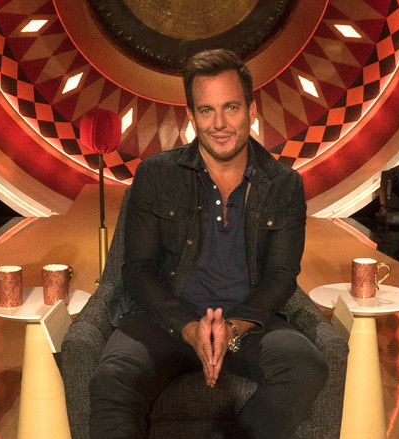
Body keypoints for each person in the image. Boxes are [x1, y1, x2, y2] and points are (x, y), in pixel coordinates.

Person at [88, 49, 327, 438]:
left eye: (231, 107)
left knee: (305, 365)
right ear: (191, 115)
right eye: (206, 110)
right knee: (111, 379)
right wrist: (186, 325)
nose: (219, 124)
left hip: (246, 326)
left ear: (251, 110)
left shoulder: (284, 184)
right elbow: (137, 271)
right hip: (165, 321)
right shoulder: (156, 174)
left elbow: (281, 275)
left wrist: (232, 327)